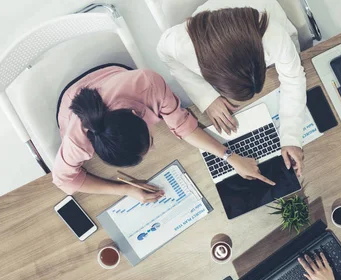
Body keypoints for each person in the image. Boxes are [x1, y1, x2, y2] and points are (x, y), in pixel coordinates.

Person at [54, 64, 274, 201]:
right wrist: (125, 190)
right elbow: (63, 181)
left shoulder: (149, 83)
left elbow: (183, 126)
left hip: (115, 75)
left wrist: (231, 157)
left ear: (137, 114)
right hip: (72, 105)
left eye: (150, 140)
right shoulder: (77, 140)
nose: (154, 146)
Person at [157, 0, 306, 178]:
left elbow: (293, 78)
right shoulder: (181, 43)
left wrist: (291, 137)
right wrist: (206, 97)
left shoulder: (272, 33)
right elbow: (164, 53)